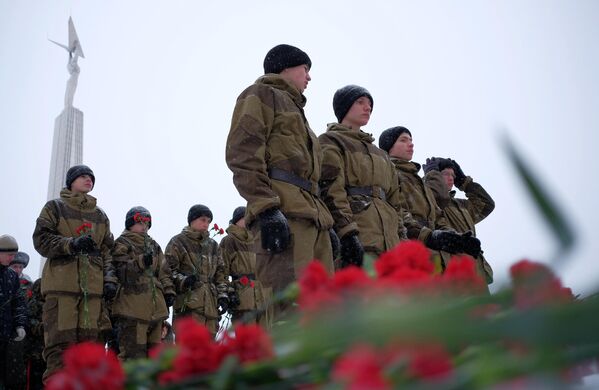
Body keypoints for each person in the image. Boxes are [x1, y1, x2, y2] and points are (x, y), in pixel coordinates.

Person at [225, 44, 334, 317]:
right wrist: (266, 209)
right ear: (285, 67)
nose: (309, 78)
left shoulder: (300, 115)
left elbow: (312, 176)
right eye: (305, 69)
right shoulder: (261, 94)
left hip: (313, 219)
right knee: (289, 310)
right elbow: (244, 153)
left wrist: (326, 221)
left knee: (323, 310)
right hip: (284, 214)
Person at [33, 164, 117, 382]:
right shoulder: (55, 208)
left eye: (91, 177)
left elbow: (108, 251)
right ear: (71, 181)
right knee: (60, 351)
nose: (88, 179)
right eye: (82, 176)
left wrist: (109, 279)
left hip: (93, 294)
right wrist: (71, 244)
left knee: (92, 351)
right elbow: (41, 239)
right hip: (63, 291)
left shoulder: (100, 215)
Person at [319, 85, 408, 268]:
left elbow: (395, 203)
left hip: (391, 248)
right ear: (344, 107)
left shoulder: (381, 155)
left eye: (370, 105)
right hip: (360, 241)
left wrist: (403, 240)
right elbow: (331, 191)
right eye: (360, 102)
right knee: (362, 296)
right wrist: (347, 234)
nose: (367, 108)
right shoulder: (331, 141)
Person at [378, 127, 481, 268]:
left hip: (436, 257)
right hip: (412, 254)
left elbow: (437, 215)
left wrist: (455, 238)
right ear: (389, 146)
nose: (411, 144)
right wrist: (431, 237)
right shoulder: (390, 174)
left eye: (411, 140)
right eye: (403, 140)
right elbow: (398, 215)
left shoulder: (417, 180)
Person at [110, 206, 176, 360]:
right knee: (132, 357)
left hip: (155, 309)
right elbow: (121, 272)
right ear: (130, 224)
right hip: (131, 308)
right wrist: (140, 262)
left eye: (147, 223)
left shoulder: (154, 245)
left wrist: (168, 291)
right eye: (140, 222)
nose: (144, 226)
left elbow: (164, 272)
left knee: (156, 357)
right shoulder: (121, 243)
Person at [423, 157, 495, 284]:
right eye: (445, 174)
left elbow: (486, 204)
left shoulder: (461, 206)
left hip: (475, 270)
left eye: (453, 175)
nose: (451, 178)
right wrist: (431, 177)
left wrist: (464, 182)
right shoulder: (428, 201)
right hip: (451, 272)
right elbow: (430, 201)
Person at [165, 204, 229, 338]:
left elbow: (221, 274)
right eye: (203, 220)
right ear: (192, 220)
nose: (206, 224)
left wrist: (223, 296)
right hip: (188, 305)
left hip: (211, 307)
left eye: (208, 221)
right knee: (188, 347)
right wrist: (184, 280)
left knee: (209, 350)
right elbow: (168, 271)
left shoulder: (213, 245)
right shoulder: (178, 242)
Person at [219, 206, 270, 327]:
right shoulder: (229, 241)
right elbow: (221, 271)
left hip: (263, 299)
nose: (248, 221)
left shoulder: (259, 240)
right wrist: (228, 294)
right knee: (246, 341)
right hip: (242, 299)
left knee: (265, 340)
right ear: (237, 220)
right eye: (245, 217)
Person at [0, 234, 27, 390]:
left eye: (14, 255)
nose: (12, 258)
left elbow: (19, 303)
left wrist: (20, 324)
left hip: (6, 339)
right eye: (10, 255)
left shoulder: (11, 277)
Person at [6, 251, 32, 389]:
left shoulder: (29, 285)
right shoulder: (5, 281)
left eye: (20, 267)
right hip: (5, 326)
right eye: (15, 266)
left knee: (17, 368)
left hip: (21, 331)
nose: (18, 270)